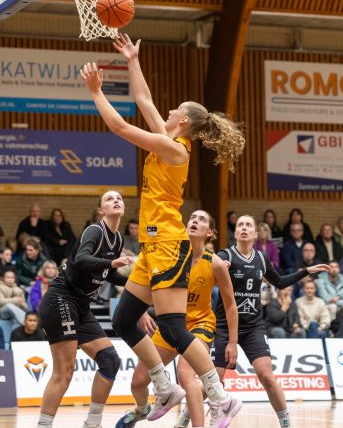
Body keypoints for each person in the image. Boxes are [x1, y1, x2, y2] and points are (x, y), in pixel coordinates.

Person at [84, 33, 246, 427]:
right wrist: (132, 59)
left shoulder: (175, 149)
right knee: (124, 320)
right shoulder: (167, 138)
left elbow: (121, 127)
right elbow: (144, 100)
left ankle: (220, 397)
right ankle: (164, 385)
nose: (169, 110)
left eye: (175, 109)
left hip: (170, 244)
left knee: (173, 326)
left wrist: (96, 93)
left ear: (184, 120)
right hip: (151, 245)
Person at [115, 210, 238, 428]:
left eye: (201, 219)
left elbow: (230, 305)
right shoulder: (170, 255)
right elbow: (144, 281)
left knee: (184, 374)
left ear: (210, 232)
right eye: (192, 218)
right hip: (169, 324)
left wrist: (232, 342)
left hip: (199, 324)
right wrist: (141, 311)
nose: (194, 221)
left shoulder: (216, 263)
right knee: (138, 381)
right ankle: (140, 411)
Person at [213, 214, 329, 428]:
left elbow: (280, 282)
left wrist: (305, 271)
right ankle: (185, 418)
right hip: (224, 326)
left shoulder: (261, 258)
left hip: (253, 327)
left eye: (249, 225)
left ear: (256, 234)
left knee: (267, 376)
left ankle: (285, 423)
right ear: (235, 232)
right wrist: (218, 268)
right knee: (213, 381)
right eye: (240, 225)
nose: (244, 228)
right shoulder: (223, 256)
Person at [36, 190, 134, 428]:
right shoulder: (95, 230)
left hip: (80, 305)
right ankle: (43, 425)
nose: (116, 200)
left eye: (119, 198)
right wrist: (112, 262)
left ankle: (92, 422)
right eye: (109, 199)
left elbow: (108, 273)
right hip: (61, 298)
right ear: (101, 210)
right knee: (64, 371)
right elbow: (81, 259)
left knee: (110, 360)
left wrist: (134, 282)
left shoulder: (118, 239)